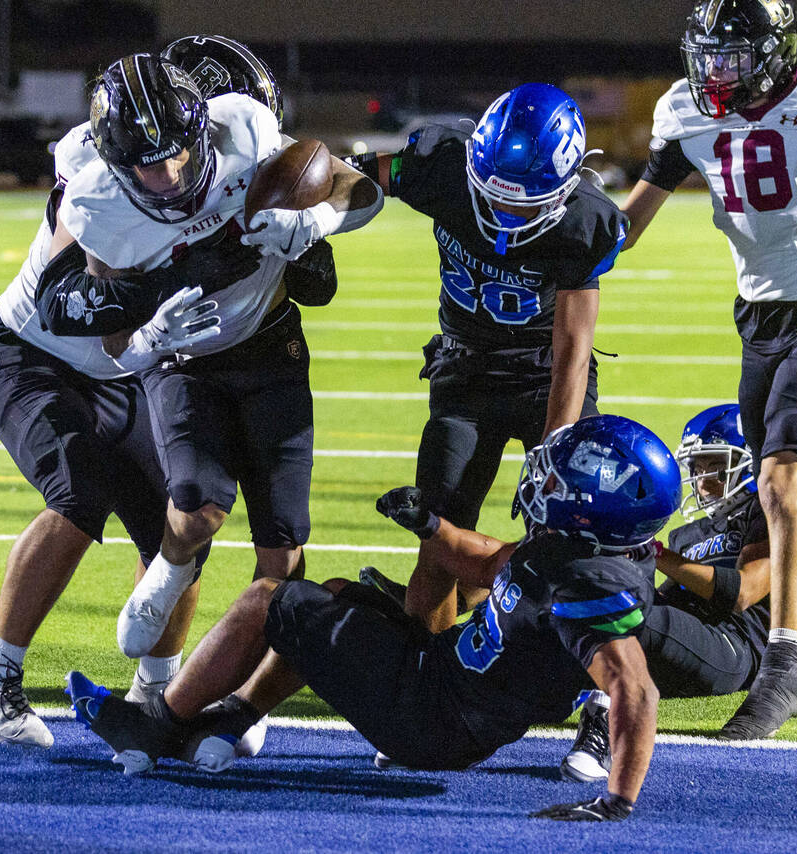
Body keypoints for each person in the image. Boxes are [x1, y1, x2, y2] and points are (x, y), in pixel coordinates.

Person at [0, 42, 335, 749]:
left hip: (132, 364)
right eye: (148, 158)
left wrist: (308, 235)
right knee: (80, 492)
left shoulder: (235, 145)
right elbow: (67, 306)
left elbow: (343, 198)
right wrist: (174, 283)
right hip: (37, 355)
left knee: (182, 521)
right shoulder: (96, 182)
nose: (171, 172)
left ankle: (160, 691)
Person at [65, 414, 680, 823]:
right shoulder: (587, 551)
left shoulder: (586, 581)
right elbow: (492, 562)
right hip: (451, 693)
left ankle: (155, 723)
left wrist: (616, 801)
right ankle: (231, 717)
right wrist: (431, 527)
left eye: (561, 475)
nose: (542, 478)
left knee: (271, 600)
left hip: (436, 714)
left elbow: (636, 689)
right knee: (335, 597)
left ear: (591, 504)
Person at [619, 0, 797, 739]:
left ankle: (779, 671)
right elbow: (627, 226)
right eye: (709, 53)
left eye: (735, 55)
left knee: (783, 478)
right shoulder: (685, 112)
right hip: (757, 319)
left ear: (774, 54)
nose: (717, 69)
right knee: (773, 497)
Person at [41, 52, 381, 662]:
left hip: (269, 343)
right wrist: (152, 337)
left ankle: (248, 691)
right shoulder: (96, 202)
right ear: (113, 162)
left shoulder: (244, 128)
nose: (168, 173)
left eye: (178, 150)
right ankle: (169, 572)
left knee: (282, 544)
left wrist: (318, 220)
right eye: (145, 163)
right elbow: (113, 335)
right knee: (198, 507)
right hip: (181, 362)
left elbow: (360, 188)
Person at [345, 83, 628, 616]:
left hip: (543, 373)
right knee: (439, 536)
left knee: (569, 532)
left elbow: (573, 346)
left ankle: (553, 647)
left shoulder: (583, 222)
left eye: (522, 203)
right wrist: (306, 206)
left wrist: (556, 447)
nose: (502, 212)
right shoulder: (441, 166)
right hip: (465, 371)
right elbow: (352, 175)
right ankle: (420, 676)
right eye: (493, 195)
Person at [561, 404, 797, 781]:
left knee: (623, 618)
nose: (702, 480)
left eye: (714, 465)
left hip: (736, 643)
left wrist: (653, 551)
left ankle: (602, 728)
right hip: (692, 638)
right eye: (697, 468)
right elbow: (663, 602)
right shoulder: (687, 534)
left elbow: (744, 592)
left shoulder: (772, 511)